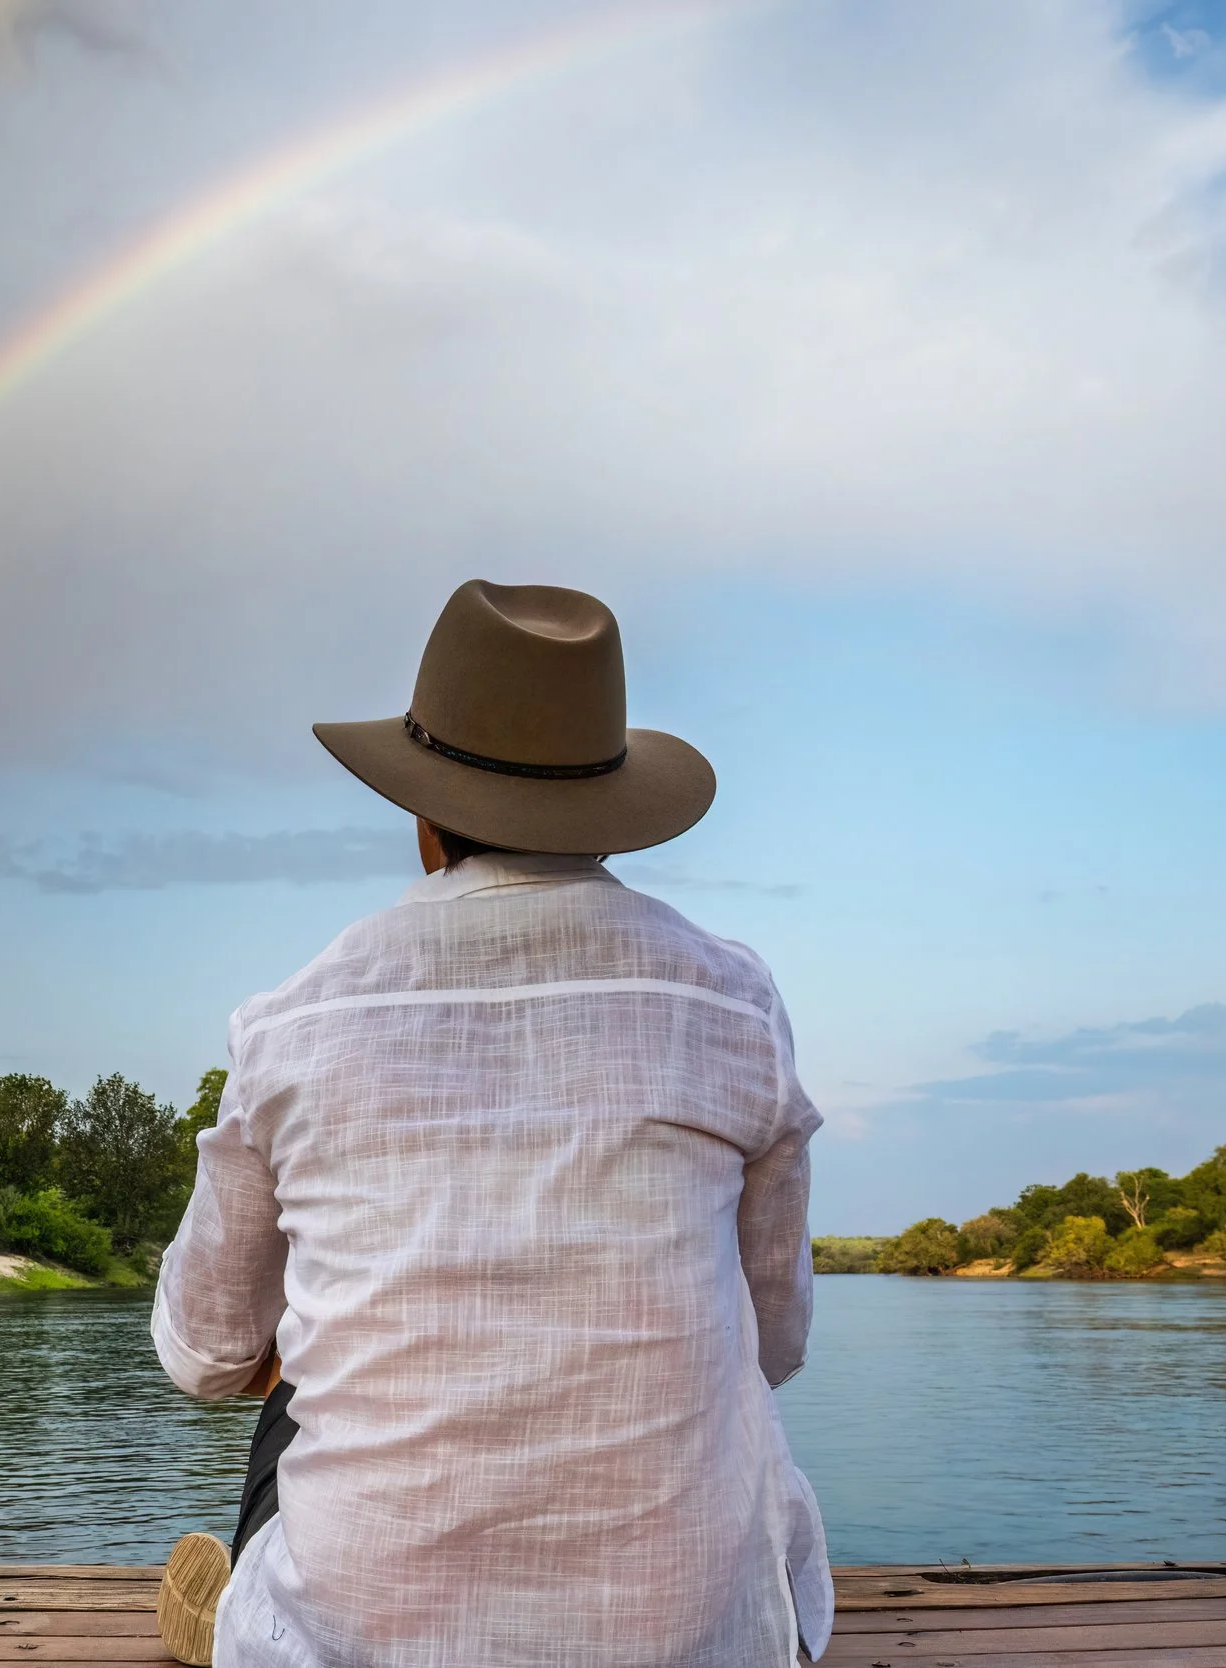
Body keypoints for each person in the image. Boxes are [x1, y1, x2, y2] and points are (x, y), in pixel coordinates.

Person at [150, 580, 829, 1667]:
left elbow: (204, 1354)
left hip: (364, 1640)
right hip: (703, 1636)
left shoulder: (293, 1023)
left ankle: (241, 1611)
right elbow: (778, 1339)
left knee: (296, 1370)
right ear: (610, 811)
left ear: (422, 819)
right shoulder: (730, 1002)